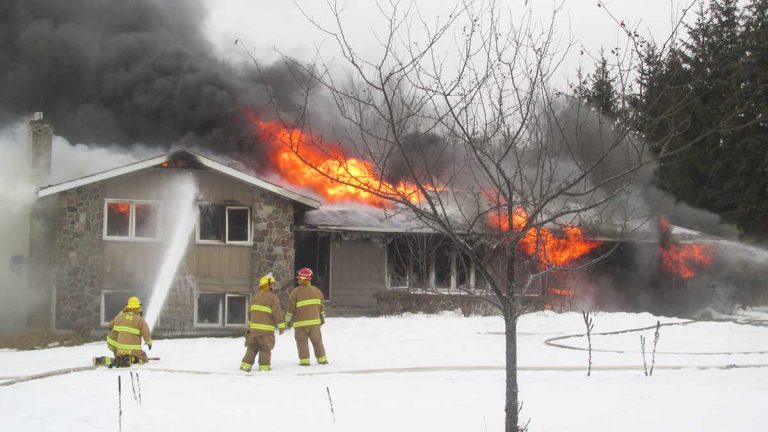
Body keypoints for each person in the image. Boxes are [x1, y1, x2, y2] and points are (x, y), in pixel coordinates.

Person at [240, 273, 286, 372]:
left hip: (253, 331)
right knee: (265, 349)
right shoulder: (273, 298)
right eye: (272, 284)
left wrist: (250, 326)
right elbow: (277, 313)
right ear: (268, 285)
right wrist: (281, 327)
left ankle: (245, 365)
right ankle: (264, 368)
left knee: (251, 348)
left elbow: (250, 312)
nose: (274, 286)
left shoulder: (255, 297)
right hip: (266, 332)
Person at [286, 267, 328, 366]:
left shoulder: (295, 292)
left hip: (300, 324)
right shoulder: (317, 291)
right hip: (314, 323)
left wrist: (287, 321)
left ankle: (305, 362)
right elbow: (321, 308)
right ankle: (322, 360)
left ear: (300, 279)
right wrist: (322, 318)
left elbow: (291, 310)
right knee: (317, 342)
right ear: (310, 279)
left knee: (302, 343)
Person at [96, 296, 152, 367]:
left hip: (119, 349)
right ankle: (131, 359)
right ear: (137, 308)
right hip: (134, 350)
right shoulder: (140, 320)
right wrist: (149, 342)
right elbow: (146, 331)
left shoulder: (120, 316)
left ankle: (114, 359)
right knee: (143, 359)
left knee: (120, 357)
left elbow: (110, 326)